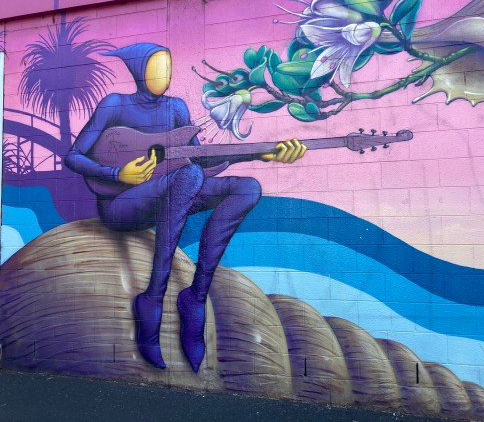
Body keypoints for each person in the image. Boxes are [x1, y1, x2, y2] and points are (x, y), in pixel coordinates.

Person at [65, 43, 306, 372]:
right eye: (155, 66)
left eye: (168, 67)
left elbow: (198, 161)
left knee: (246, 188)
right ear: (138, 69)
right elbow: (74, 156)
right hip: (122, 206)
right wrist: (117, 174)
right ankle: (152, 298)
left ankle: (195, 297)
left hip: (170, 194)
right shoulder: (115, 105)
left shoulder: (176, 108)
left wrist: (259, 154)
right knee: (188, 175)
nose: (164, 74)